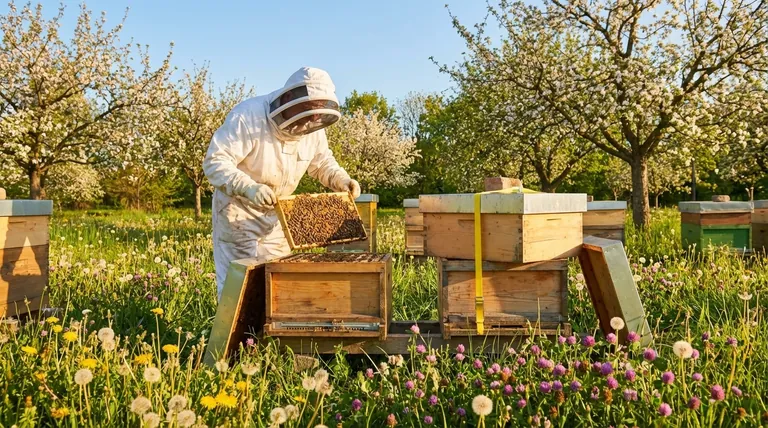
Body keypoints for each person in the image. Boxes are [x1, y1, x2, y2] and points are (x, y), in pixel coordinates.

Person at [203, 67, 361, 297]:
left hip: (279, 216)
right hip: (238, 212)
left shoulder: (312, 127)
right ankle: (235, 334)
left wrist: (341, 179)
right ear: (289, 98)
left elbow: (322, 161)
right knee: (237, 288)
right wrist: (247, 187)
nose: (312, 121)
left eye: (317, 115)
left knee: (279, 285)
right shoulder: (247, 116)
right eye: (309, 112)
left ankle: (269, 334)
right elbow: (215, 162)